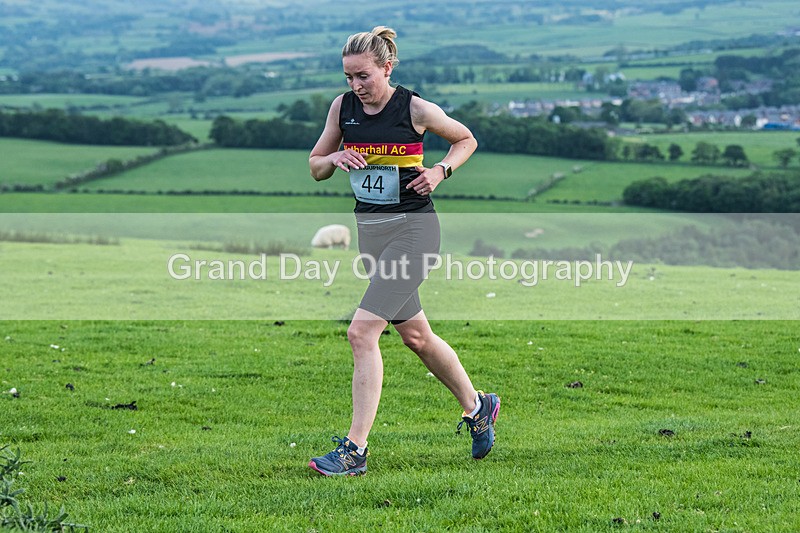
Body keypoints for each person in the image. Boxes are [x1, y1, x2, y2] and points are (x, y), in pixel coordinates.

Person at [307, 26, 500, 476]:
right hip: (372, 234)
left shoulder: (414, 108)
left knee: (361, 332)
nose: (355, 86)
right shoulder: (343, 108)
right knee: (416, 337)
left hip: (415, 232)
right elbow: (315, 166)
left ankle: (354, 451)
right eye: (349, 77)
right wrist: (333, 160)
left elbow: (466, 138)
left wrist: (440, 171)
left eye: (363, 76)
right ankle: (479, 407)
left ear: (386, 67)